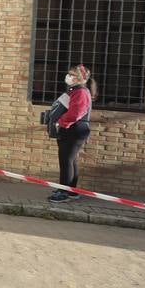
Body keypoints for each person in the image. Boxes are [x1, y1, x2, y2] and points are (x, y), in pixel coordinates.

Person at [43, 64, 96, 202]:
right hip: (73, 129)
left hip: (74, 129)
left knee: (66, 160)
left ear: (82, 78)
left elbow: (76, 113)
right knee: (71, 160)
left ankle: (64, 192)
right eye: (69, 73)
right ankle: (72, 191)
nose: (69, 76)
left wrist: (60, 122)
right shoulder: (75, 91)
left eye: (73, 75)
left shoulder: (81, 92)